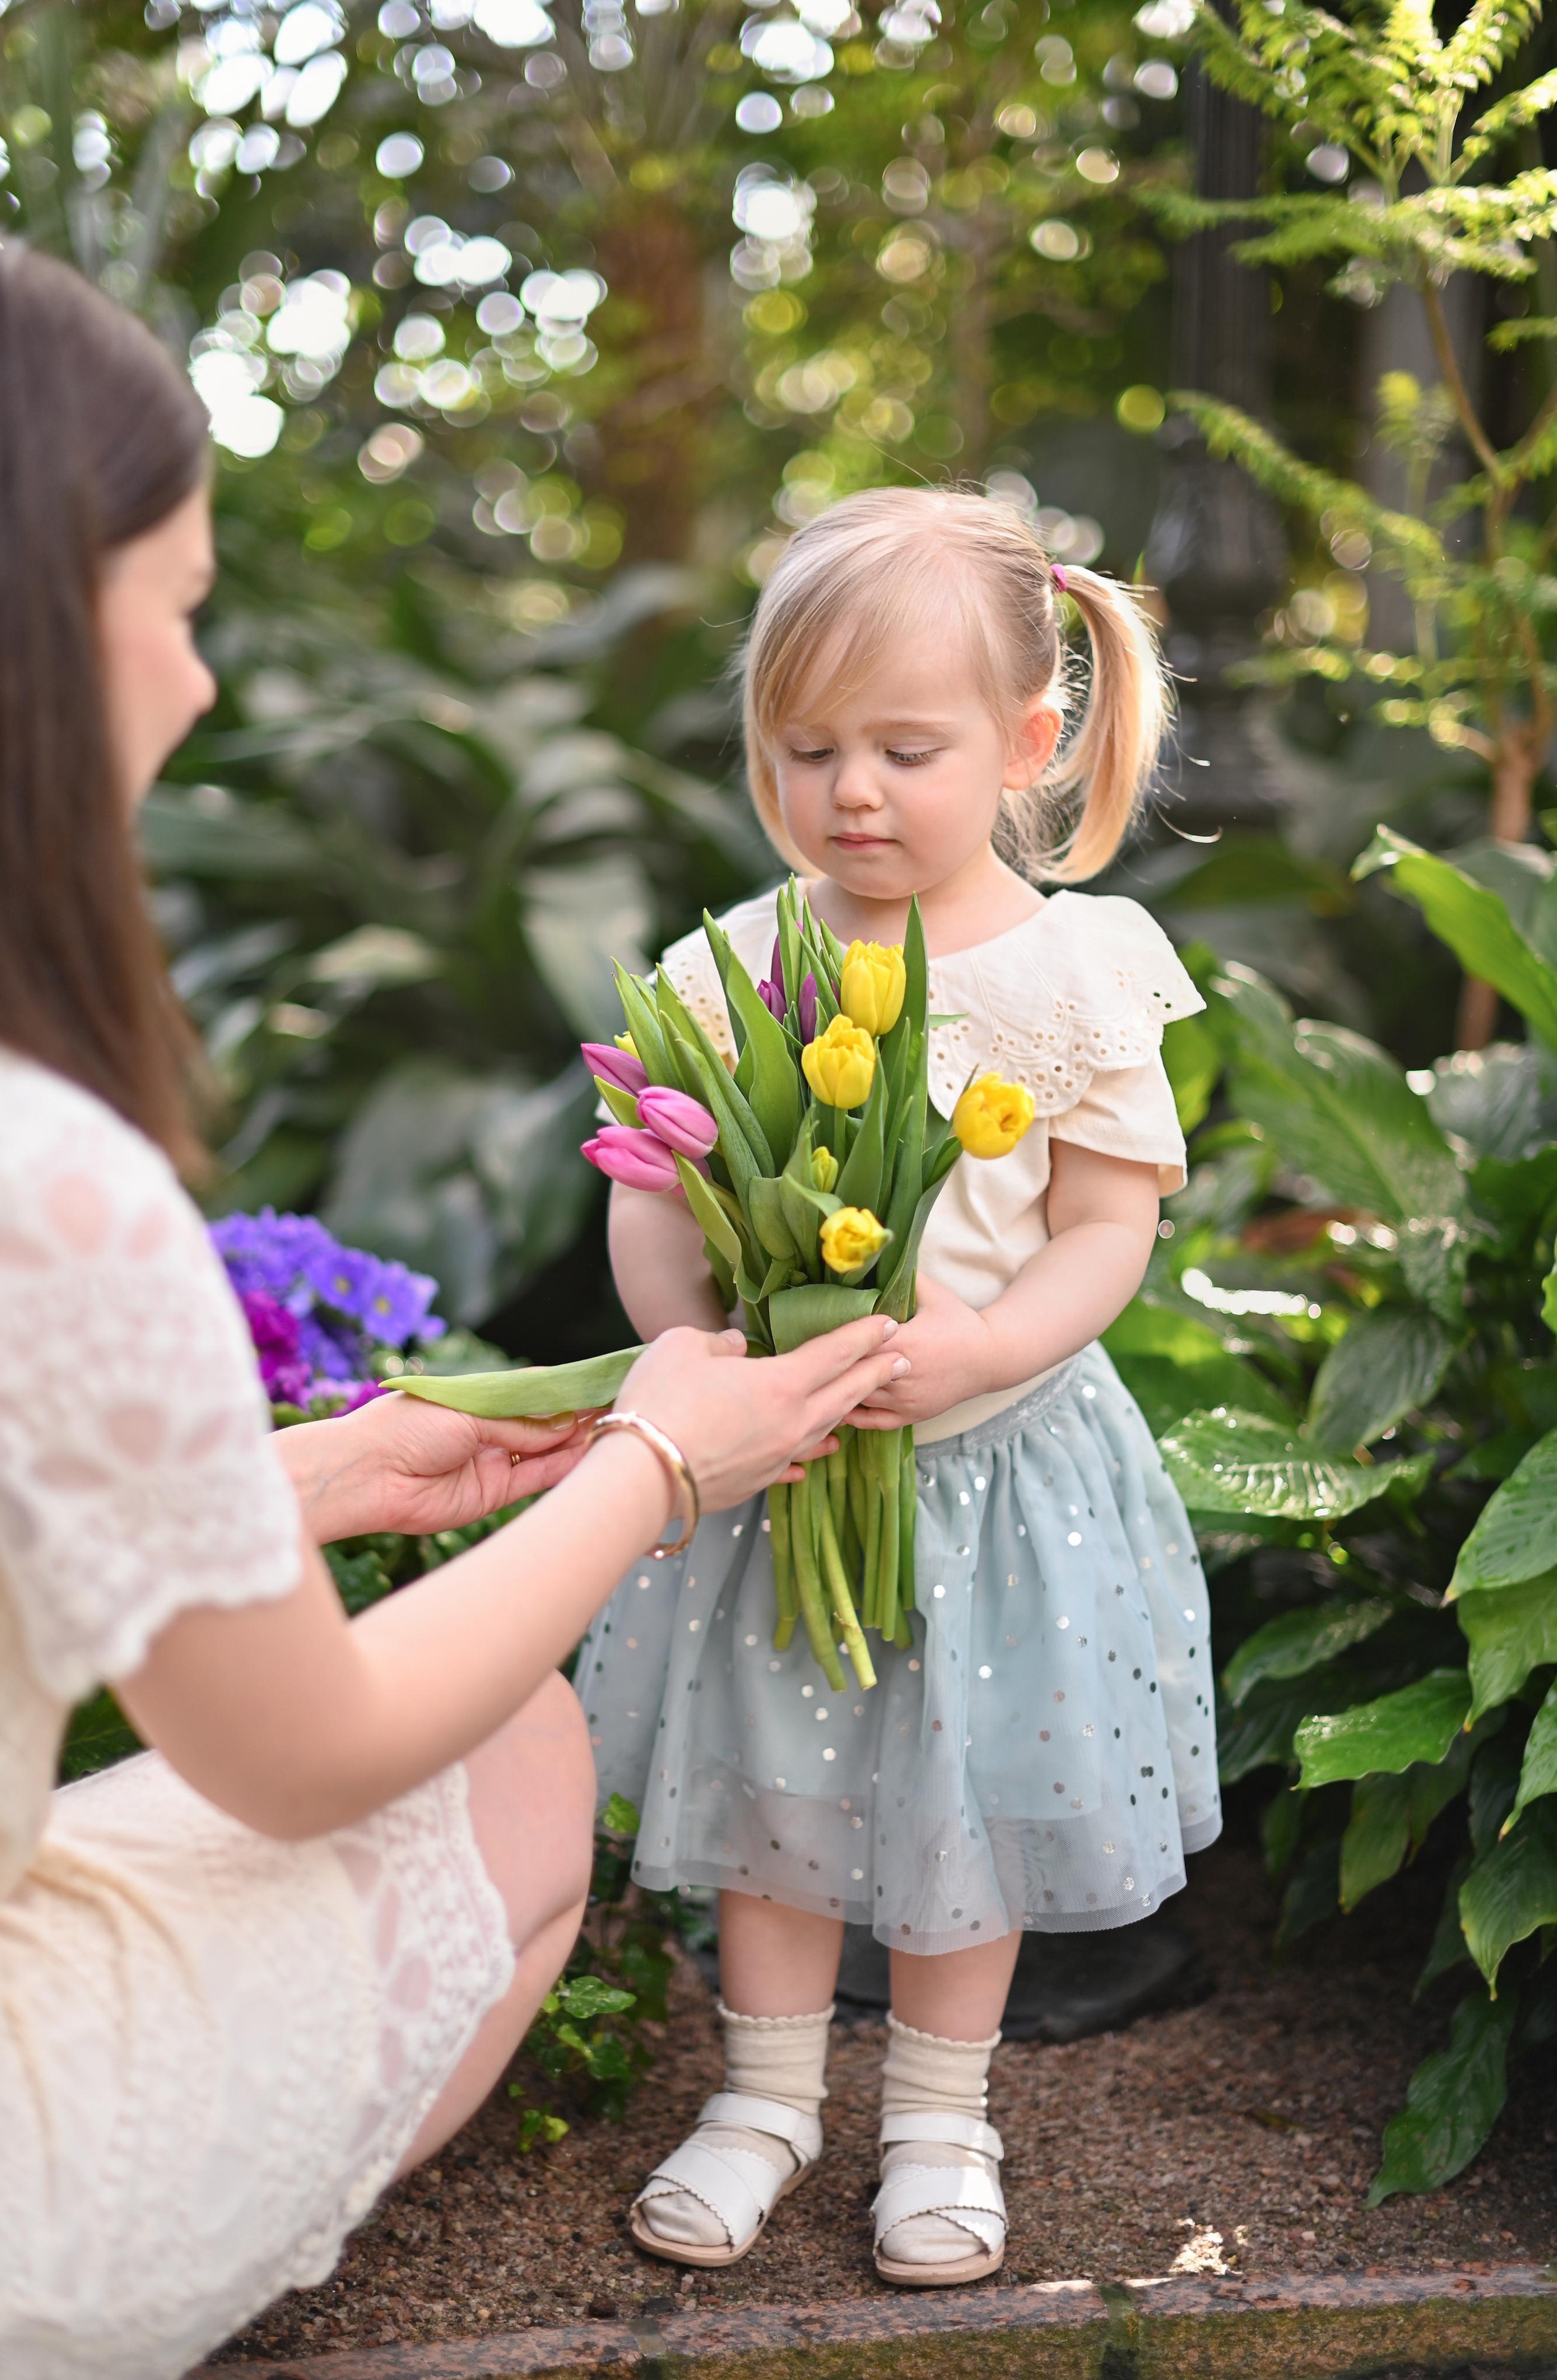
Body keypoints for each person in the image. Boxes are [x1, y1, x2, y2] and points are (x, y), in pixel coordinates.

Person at [0, 239, 911, 2379]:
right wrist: (669, 1461)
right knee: (510, 1750)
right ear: (27, 632)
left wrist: (313, 1470)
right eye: (179, 610)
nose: (200, 685)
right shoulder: (31, 1172)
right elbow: (301, 1761)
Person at [580, 487, 1224, 2287]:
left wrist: (984, 1346)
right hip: (788, 1466)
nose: (853, 791)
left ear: (1029, 744)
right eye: (809, 749)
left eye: (906, 748)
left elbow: (1107, 1226)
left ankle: (942, 2116)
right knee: (774, 1787)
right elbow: (656, 1193)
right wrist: (696, 1347)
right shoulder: (741, 965)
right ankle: (767, 2097)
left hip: (998, 1469)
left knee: (971, 1798)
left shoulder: (1075, 973)